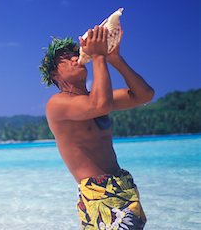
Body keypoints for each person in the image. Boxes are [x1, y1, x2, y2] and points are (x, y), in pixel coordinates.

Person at [39, 26, 154, 230]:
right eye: (66, 58)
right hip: (98, 194)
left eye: (76, 54)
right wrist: (99, 57)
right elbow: (100, 105)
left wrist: (114, 58)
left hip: (123, 188)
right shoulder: (57, 104)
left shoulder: (95, 98)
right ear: (55, 73)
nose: (76, 59)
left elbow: (144, 95)